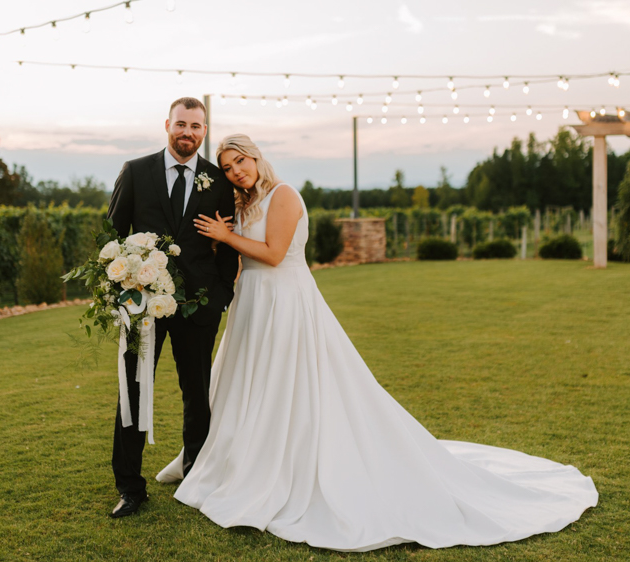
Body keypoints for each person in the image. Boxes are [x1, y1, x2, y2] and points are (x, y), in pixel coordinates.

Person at [155, 134, 598, 551]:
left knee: (290, 384)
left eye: (241, 162)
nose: (236, 172)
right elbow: (239, 260)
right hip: (252, 304)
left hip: (286, 302)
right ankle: (235, 462)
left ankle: (287, 464)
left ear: (256, 157)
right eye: (228, 167)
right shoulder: (242, 204)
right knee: (245, 385)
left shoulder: (283, 195)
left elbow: (273, 254)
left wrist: (224, 236)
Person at [105, 98, 239, 518]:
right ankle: (130, 487)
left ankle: (197, 478)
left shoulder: (218, 181)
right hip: (142, 305)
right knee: (133, 390)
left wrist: (219, 297)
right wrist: (122, 293)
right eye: (181, 124)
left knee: (197, 395)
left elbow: (227, 244)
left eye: (196, 126)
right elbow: (112, 235)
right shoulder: (136, 171)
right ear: (167, 125)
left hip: (198, 306)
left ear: (204, 130)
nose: (188, 133)